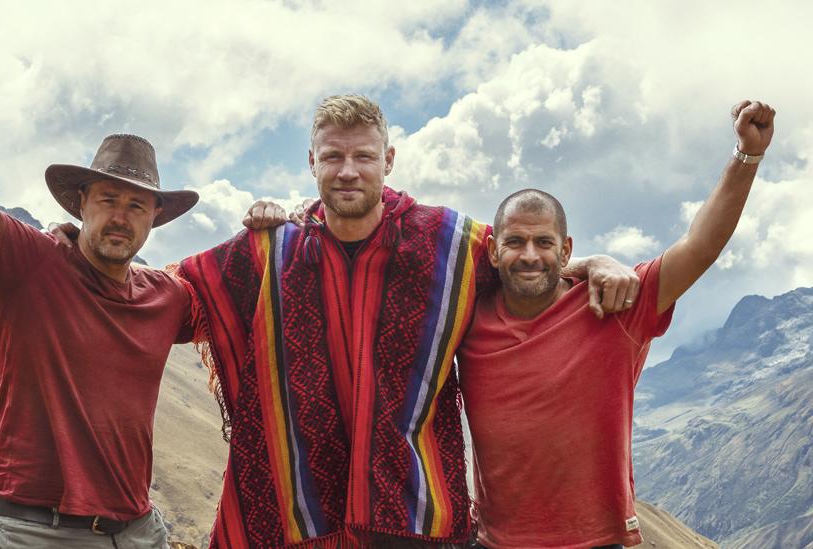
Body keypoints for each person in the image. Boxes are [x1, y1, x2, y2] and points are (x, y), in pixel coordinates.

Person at [176, 95, 638, 548]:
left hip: (412, 516)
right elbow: (181, 294)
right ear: (311, 162)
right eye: (333, 156)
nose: (348, 170)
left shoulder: (448, 243)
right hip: (298, 512)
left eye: (364, 156)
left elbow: (526, 257)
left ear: (389, 160)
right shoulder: (272, 250)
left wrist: (595, 262)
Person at [0, 7, 212, 547]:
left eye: (137, 206)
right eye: (108, 199)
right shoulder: (28, 264)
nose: (121, 216)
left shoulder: (167, 298)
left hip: (138, 531)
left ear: (155, 219)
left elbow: (245, 296)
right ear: (81, 204)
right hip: (34, 531)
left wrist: (276, 224)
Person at [457, 100, 776, 549]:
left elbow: (699, 247)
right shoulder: (464, 316)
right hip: (494, 542)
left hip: (598, 542)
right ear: (493, 251)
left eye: (543, 242)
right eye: (515, 241)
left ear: (565, 250)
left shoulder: (615, 305)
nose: (529, 254)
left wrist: (748, 157)